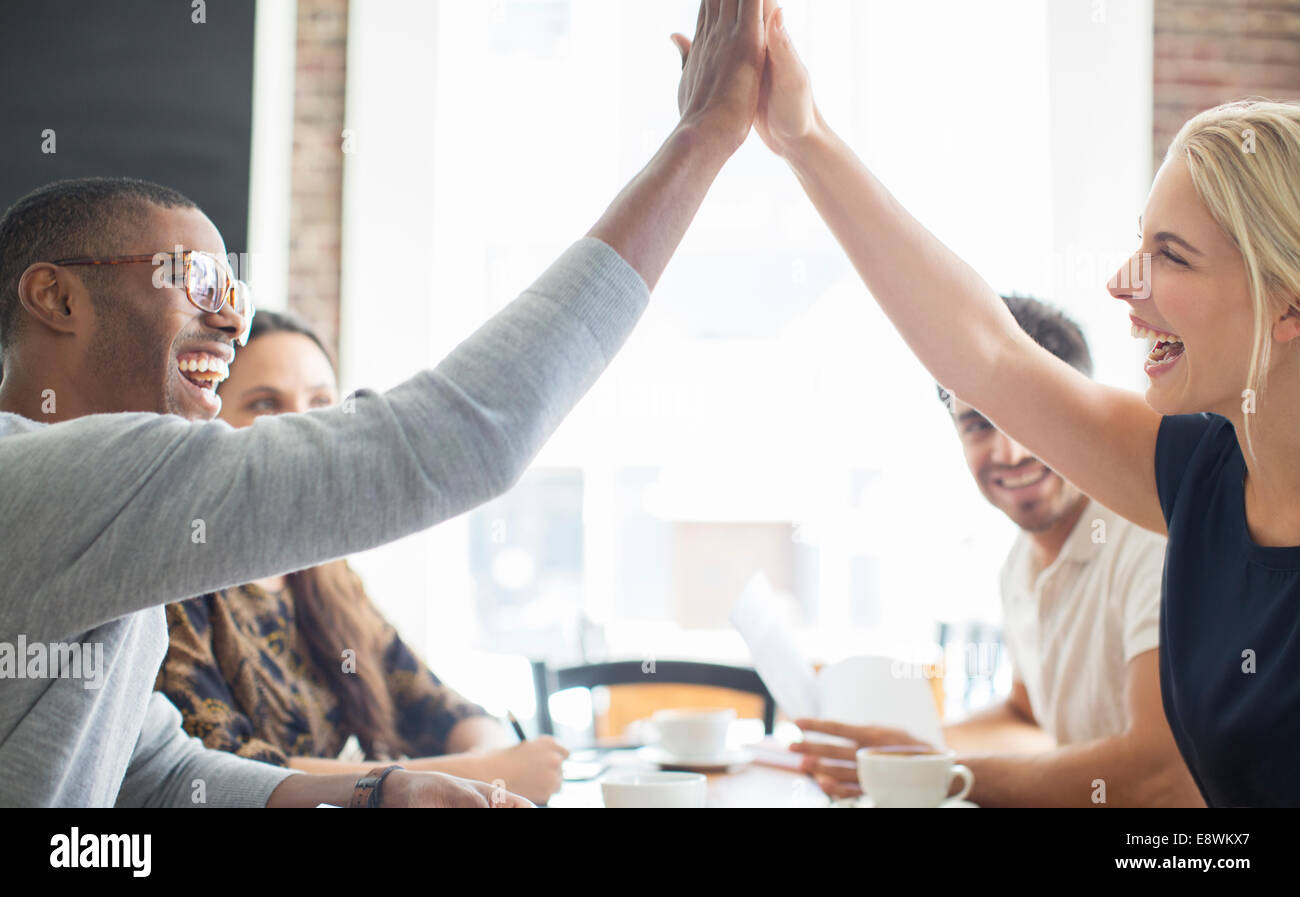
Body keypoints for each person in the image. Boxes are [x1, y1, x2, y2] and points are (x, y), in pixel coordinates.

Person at [0, 0, 770, 807]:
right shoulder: (44, 479)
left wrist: (381, 790)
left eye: (234, 289)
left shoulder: (102, 529)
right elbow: (453, 439)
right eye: (193, 281)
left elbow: (153, 768)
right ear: (57, 296)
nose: (230, 319)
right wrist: (700, 140)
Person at [746, 5, 1300, 806]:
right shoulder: (1198, 470)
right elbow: (987, 352)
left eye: (1169, 256)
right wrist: (804, 139)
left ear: (1286, 306)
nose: (1122, 283)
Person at [792, 296, 1202, 807]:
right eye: (979, 424)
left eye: (1032, 418)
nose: (1011, 451)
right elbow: (1025, 715)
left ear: (1085, 411)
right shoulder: (1019, 566)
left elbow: (1159, 773)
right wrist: (904, 751)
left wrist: (944, 774)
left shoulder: (1148, 538)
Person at [156, 310, 568, 804]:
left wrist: (490, 758)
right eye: (265, 403)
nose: (302, 426)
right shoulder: (175, 582)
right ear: (212, 423)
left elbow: (441, 706)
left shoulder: (329, 572)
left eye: (321, 403)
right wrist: (485, 772)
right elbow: (223, 770)